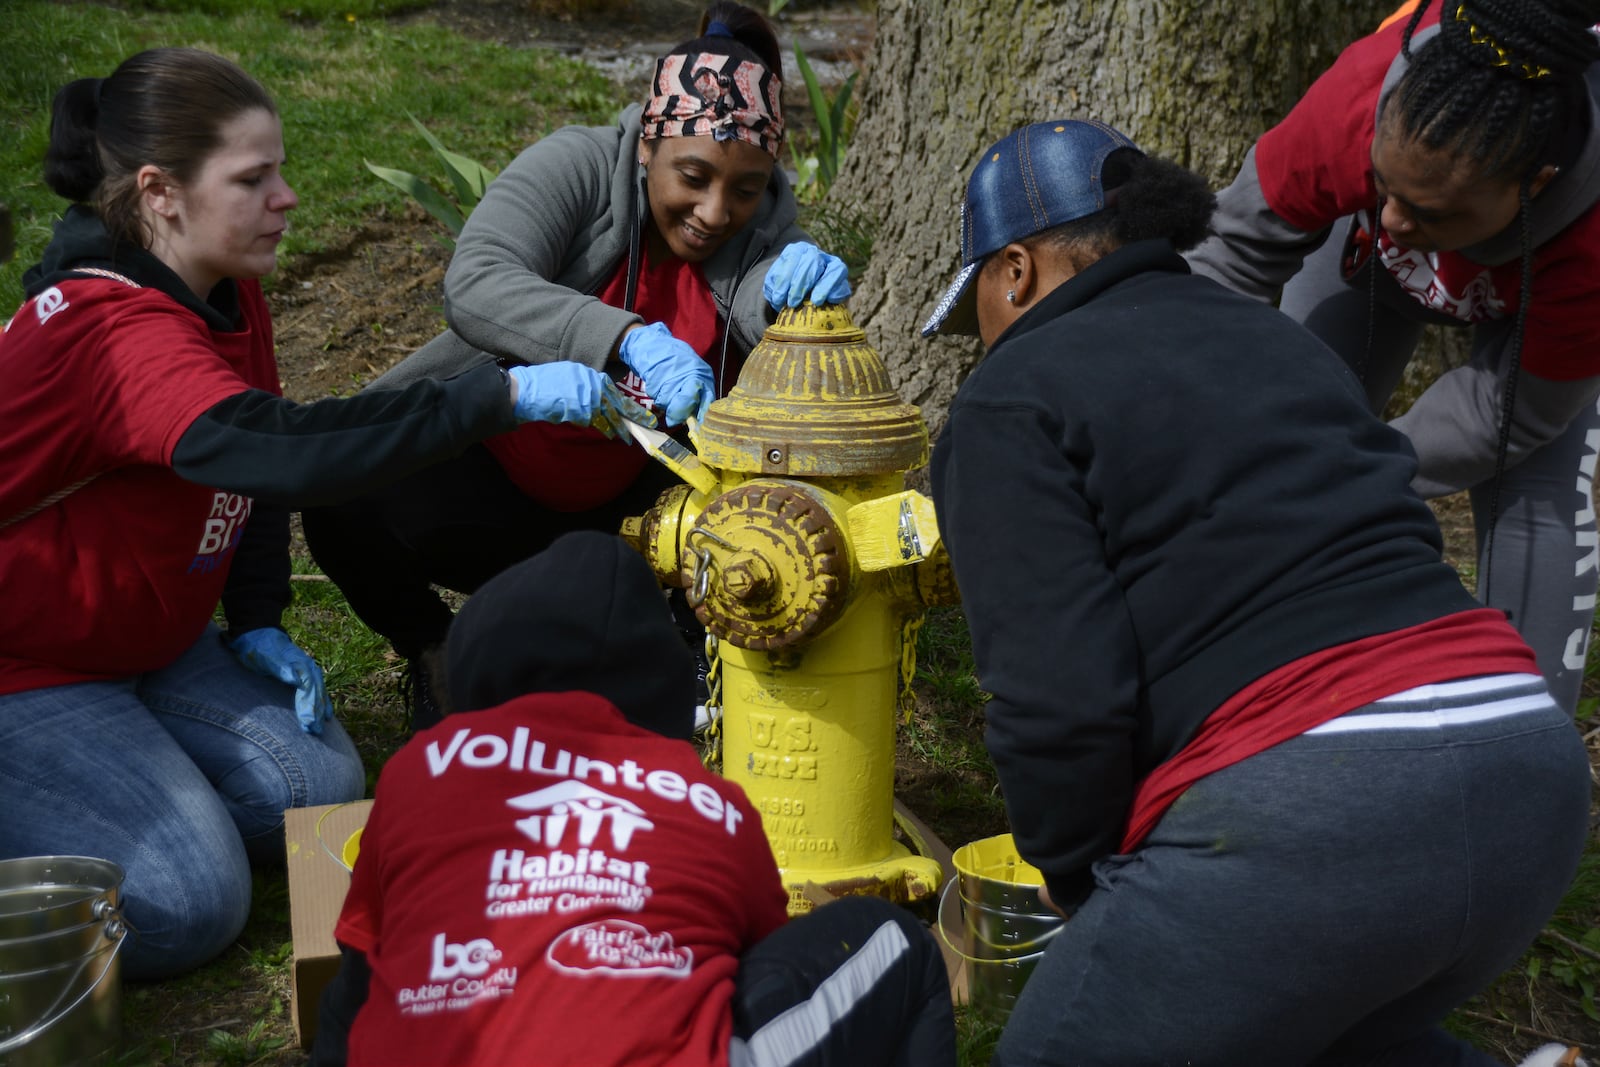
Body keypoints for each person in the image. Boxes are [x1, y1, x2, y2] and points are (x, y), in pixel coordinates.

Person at [921, 118, 1590, 1065]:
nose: (978, 341)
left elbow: (1058, 698)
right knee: (1305, 1019)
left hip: (1317, 800)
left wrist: (1084, 879)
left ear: (1015, 273)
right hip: (1526, 770)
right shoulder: (1274, 340)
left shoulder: (1010, 397)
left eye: (976, 309)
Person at [0, 47, 650, 980]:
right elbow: (284, 448)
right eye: (254, 178)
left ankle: (116, 772)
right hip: (30, 664)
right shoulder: (115, 334)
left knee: (314, 787)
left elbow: (254, 466)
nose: (288, 197)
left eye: (282, 170)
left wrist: (257, 615)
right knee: (193, 902)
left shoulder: (221, 283)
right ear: (160, 192)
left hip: (146, 645)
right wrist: (494, 398)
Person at [301, 1, 853, 732]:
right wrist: (624, 339)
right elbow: (478, 279)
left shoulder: (764, 220)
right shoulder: (579, 164)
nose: (717, 211)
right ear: (648, 146)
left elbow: (755, 290)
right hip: (493, 482)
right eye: (693, 176)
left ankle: (699, 652)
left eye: (744, 189)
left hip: (632, 518)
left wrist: (789, 293)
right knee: (339, 488)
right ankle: (435, 650)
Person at [309, 530, 956, 1067]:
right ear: (664, 690)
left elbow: (359, 969)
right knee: (897, 942)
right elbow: (753, 960)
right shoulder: (711, 801)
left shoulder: (419, 769)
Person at [1186, 0, 1600, 714]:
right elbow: (1225, 258)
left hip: (1547, 293)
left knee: (1537, 497)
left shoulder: (1592, 242)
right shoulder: (1360, 97)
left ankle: (1524, 763)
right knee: (1283, 446)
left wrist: (1357, 471)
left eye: (1432, 211)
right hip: (1372, 275)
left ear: (1534, 183)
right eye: (1385, 187)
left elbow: (1517, 412)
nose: (1396, 221)